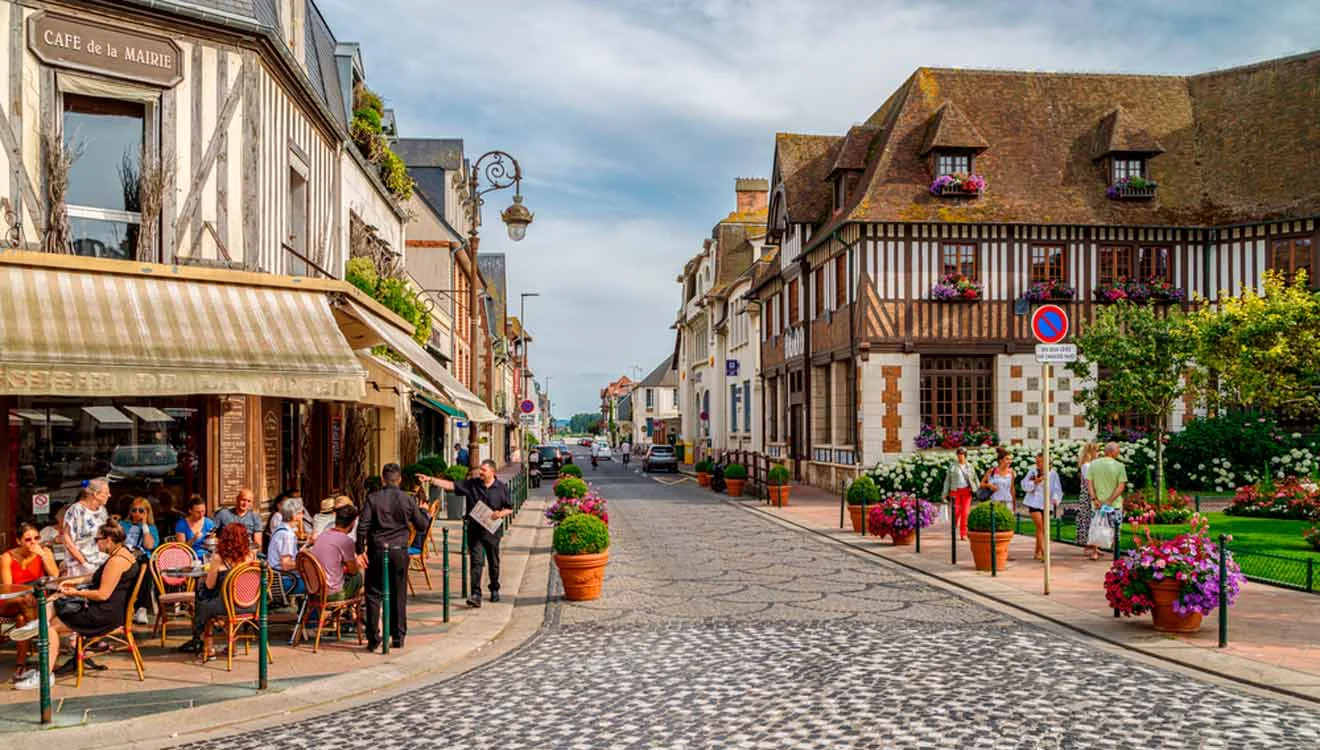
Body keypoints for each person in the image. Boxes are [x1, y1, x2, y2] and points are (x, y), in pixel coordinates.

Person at [10, 523, 143, 690]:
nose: (96, 543)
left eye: (97, 540)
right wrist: (74, 581)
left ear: (108, 540)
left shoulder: (116, 561)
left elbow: (102, 594)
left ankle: (44, 673)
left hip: (103, 615)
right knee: (55, 603)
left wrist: (75, 593)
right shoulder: (122, 554)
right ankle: (39, 631)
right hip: (107, 611)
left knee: (51, 627)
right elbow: (95, 577)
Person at [420, 459, 513, 609]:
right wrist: (430, 479)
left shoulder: (501, 488)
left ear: (492, 472)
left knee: (493, 562)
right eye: (480, 470)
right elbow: (451, 485)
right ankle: (476, 594)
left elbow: (509, 508)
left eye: (484, 470)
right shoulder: (472, 484)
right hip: (474, 530)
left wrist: (500, 514)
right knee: (476, 562)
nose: (480, 472)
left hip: (492, 531)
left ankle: (494, 587)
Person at [357, 463, 430, 651]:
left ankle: (373, 637)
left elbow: (362, 527)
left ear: (383, 479)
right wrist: (423, 511)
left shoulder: (373, 499)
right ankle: (398, 636)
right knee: (398, 593)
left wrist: (359, 551)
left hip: (378, 550)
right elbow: (422, 525)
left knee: (373, 593)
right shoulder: (407, 499)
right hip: (399, 550)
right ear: (399, 480)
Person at [175, 523, 256, 654]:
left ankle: (209, 647)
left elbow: (209, 585)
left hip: (226, 606)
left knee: (202, 602)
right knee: (223, 602)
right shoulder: (251, 557)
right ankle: (232, 646)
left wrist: (203, 580)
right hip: (248, 605)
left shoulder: (219, 558)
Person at [0, 523, 59, 682]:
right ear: (19, 541)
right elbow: (9, 589)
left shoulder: (44, 552)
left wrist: (43, 557)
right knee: (25, 601)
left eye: (36, 538)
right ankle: (41, 628)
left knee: (21, 619)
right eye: (28, 539)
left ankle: (21, 666)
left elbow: (55, 576)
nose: (33, 542)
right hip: (12, 601)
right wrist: (25, 596)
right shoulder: (7, 557)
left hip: (34, 602)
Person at [309, 504, 364, 601]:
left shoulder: (322, 536)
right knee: (361, 575)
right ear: (353, 522)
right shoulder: (346, 540)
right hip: (332, 593)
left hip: (315, 590)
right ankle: (352, 609)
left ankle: (348, 610)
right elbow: (353, 571)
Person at [119, 497, 160, 624]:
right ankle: (126, 607)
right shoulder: (123, 525)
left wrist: (144, 526)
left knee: (146, 567)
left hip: (142, 559)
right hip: (125, 557)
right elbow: (118, 543)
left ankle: (141, 608)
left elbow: (149, 546)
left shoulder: (151, 528)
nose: (137, 513)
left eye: (141, 510)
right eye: (134, 510)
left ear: (147, 512)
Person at [1086, 442, 1129, 561]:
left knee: (1097, 526)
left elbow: (1089, 483)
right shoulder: (1119, 466)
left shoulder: (1093, 465)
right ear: (1111, 452)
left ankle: (1095, 552)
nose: (1119, 452)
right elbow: (1121, 486)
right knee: (1116, 528)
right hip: (1114, 504)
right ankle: (1116, 553)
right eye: (1117, 450)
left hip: (1097, 504)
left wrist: (1094, 498)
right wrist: (1110, 501)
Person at [61, 479, 110, 577]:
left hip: (100, 561)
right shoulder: (76, 510)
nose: (109, 495)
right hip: (80, 565)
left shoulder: (102, 510)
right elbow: (67, 540)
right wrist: (84, 563)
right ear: (96, 494)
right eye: (106, 493)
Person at [1021, 453, 1064, 562]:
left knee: (1042, 529)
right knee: (1041, 528)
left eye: (1039, 461)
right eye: (1036, 461)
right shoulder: (1032, 472)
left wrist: (1055, 499)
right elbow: (1025, 485)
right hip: (1034, 503)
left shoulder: (1053, 474)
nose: (1037, 463)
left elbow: (1057, 489)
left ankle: (1037, 552)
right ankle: (1045, 553)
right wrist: (1035, 482)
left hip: (1046, 504)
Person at [267, 497, 307, 596]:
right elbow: (286, 564)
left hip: (281, 578)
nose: (303, 515)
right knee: (318, 585)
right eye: (301, 512)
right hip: (286, 581)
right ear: (295, 515)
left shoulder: (280, 529)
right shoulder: (286, 535)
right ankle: (312, 612)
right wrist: (306, 565)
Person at [941, 447, 976, 540]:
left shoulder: (970, 466)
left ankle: (963, 533)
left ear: (965, 455)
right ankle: (954, 528)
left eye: (962, 454)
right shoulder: (952, 466)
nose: (960, 456)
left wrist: (978, 489)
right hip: (955, 491)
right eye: (958, 454)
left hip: (967, 491)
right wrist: (945, 493)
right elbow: (947, 480)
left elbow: (975, 479)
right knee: (956, 512)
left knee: (965, 513)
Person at [1074, 443, 1101, 556]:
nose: (1098, 453)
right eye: (1096, 451)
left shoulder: (1089, 465)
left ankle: (1093, 546)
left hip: (1089, 494)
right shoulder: (1087, 465)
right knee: (1091, 519)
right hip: (1089, 494)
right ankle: (1091, 547)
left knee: (1092, 519)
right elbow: (1089, 481)